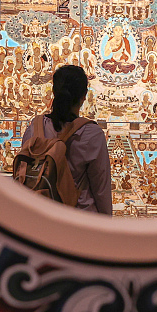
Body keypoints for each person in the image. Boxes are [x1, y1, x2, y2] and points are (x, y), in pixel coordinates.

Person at [22, 65, 112, 215]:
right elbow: (101, 188)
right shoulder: (91, 134)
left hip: (40, 216)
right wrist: (106, 224)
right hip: (80, 219)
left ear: (54, 92)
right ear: (84, 96)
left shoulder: (34, 128)